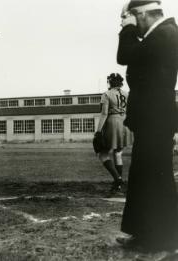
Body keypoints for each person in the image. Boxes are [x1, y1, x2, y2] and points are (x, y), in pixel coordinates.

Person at [116, 0, 178, 251]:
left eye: (131, 19)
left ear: (141, 15)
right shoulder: (162, 35)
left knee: (155, 177)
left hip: (156, 118)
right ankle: (143, 233)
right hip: (152, 117)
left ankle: (163, 240)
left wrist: (126, 29)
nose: (130, 25)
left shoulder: (165, 34)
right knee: (143, 175)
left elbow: (124, 56)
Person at [95, 73, 131, 195]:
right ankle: (118, 186)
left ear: (110, 82)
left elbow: (104, 113)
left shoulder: (107, 94)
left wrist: (98, 131)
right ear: (120, 83)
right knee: (118, 153)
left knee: (102, 153)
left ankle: (118, 179)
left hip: (113, 122)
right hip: (125, 123)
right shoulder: (126, 93)